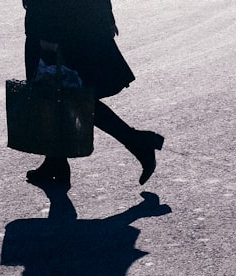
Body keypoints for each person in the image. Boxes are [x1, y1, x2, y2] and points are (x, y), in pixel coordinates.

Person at [23, 0, 164, 187]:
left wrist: (49, 33)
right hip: (75, 23)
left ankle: (137, 142)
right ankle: (55, 161)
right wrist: (107, 16)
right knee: (59, 96)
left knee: (67, 96)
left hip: (57, 25)